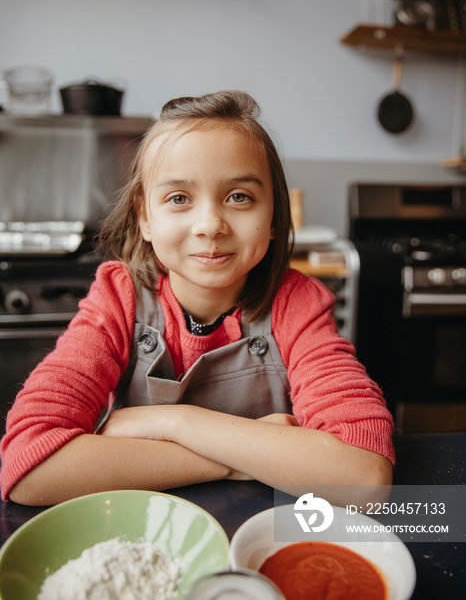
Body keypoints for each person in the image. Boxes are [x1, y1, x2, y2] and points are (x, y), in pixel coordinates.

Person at [0, 90, 394, 506]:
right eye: (179, 199)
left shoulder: (297, 305)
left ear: (275, 217)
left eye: (239, 196)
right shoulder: (118, 298)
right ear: (145, 218)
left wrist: (173, 420)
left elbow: (363, 477)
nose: (210, 225)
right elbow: (28, 465)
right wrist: (233, 461)